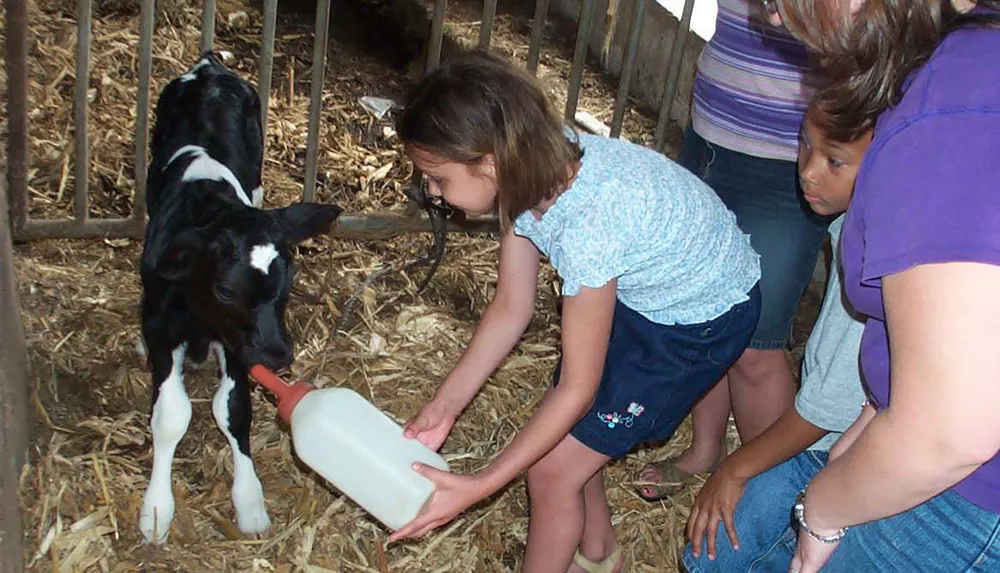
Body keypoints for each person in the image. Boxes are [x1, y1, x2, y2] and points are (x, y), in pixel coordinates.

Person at [384, 50, 762, 573]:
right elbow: (511, 307)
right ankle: (600, 551)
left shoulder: (586, 227)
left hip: (698, 317)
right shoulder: (530, 168)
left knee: (550, 471)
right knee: (569, 431)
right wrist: (444, 406)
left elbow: (579, 390)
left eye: (437, 179)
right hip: (644, 284)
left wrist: (480, 485)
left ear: (487, 162)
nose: (431, 191)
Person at [758, 1, 1000, 572]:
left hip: (963, 498)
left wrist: (820, 511)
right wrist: (866, 431)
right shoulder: (971, 64)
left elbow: (948, 433)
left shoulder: (949, 106)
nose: (773, 18)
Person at [637, 0, 829, 500]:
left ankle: (770, 498)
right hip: (713, 128)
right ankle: (707, 452)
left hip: (791, 157)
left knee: (756, 346)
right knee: (710, 311)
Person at [680, 101, 871, 572]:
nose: (807, 172)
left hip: (844, 457)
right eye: (805, 146)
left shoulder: (873, 255)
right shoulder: (852, 223)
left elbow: (831, 405)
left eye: (834, 161)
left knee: (715, 551)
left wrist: (736, 467)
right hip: (837, 445)